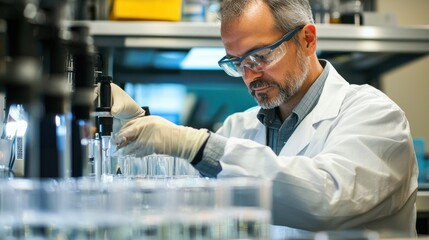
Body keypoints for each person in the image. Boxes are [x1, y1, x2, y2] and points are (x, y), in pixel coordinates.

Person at [98, 0, 418, 237]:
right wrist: (135, 122)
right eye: (237, 63)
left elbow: (326, 198)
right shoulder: (242, 127)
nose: (250, 75)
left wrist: (194, 144)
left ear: (307, 39)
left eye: (260, 56)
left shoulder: (376, 116)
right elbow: (177, 181)